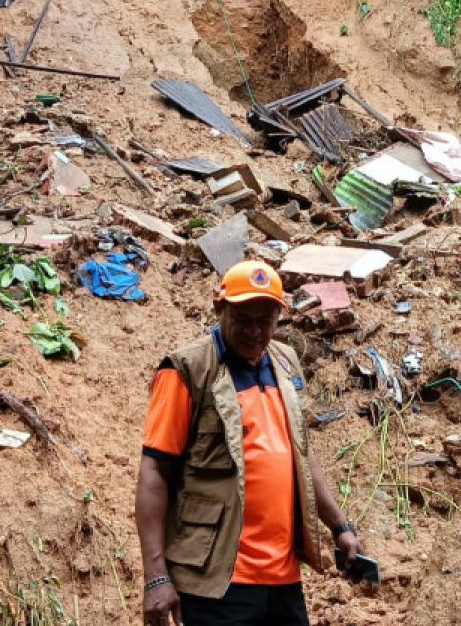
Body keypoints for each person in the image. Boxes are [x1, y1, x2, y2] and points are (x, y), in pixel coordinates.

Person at [135, 260, 361, 626]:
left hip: (282, 579)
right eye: (244, 319)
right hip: (217, 580)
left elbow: (301, 457)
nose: (255, 331)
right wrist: (156, 576)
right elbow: (154, 472)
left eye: (266, 320)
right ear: (220, 307)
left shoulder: (285, 363)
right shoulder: (187, 370)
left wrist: (340, 527)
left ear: (279, 317)